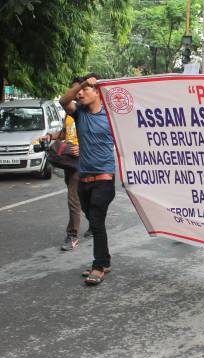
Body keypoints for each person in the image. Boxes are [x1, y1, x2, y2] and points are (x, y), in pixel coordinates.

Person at [59, 73, 116, 285]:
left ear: (98, 91)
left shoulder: (111, 116)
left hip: (104, 179)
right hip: (84, 180)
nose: (80, 93)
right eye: (79, 90)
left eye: (86, 89)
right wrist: (81, 84)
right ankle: (106, 260)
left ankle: (98, 266)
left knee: (97, 221)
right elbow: (64, 101)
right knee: (94, 221)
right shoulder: (79, 113)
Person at [39, 77, 84, 251]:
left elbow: (99, 136)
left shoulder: (87, 113)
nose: (77, 95)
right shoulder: (70, 113)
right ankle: (94, 226)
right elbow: (64, 133)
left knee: (73, 198)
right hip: (67, 160)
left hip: (80, 161)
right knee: (80, 198)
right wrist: (50, 136)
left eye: (79, 91)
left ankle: (72, 236)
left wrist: (81, 147)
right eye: (74, 92)